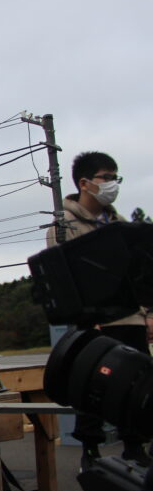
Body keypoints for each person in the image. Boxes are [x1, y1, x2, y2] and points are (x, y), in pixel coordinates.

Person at [47, 150, 150, 467]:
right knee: (90, 383)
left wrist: (147, 314)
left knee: (138, 383)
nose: (113, 184)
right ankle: (89, 451)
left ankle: (135, 448)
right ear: (85, 183)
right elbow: (63, 279)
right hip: (92, 322)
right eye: (107, 178)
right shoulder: (66, 225)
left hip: (130, 318)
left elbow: (142, 275)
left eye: (115, 178)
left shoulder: (121, 225)